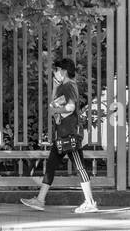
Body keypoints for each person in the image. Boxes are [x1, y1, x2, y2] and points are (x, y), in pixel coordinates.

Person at [21, 56, 98, 213]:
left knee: (80, 167)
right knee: (51, 165)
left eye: (56, 70)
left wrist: (56, 110)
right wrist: (55, 89)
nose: (55, 73)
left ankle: (90, 202)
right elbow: (55, 103)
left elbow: (69, 107)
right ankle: (40, 200)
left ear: (63, 71)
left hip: (69, 133)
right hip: (63, 135)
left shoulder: (68, 86)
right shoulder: (67, 85)